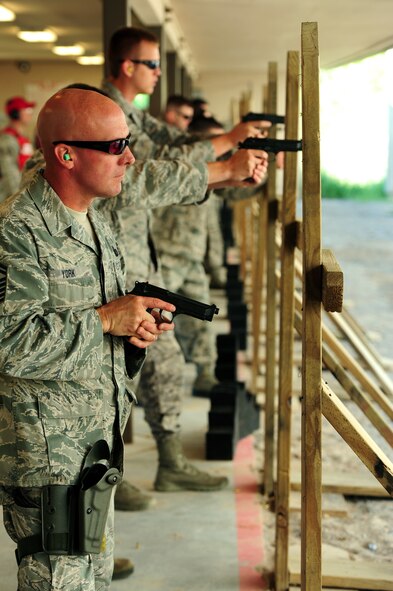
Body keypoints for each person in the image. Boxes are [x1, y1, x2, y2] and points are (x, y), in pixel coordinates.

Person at [0, 87, 177, 591]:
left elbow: (105, 330)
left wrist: (134, 337)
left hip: (93, 446)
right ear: (67, 154)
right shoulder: (17, 230)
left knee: (94, 580)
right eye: (116, 146)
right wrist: (105, 320)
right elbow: (9, 341)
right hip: (49, 458)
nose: (130, 157)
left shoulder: (97, 219)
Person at [101, 25, 269, 503]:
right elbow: (152, 172)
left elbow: (174, 148)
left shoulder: (131, 114)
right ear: (128, 66)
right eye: (152, 64)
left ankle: (146, 468)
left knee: (142, 370)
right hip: (115, 267)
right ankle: (111, 481)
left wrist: (224, 162)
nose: (157, 73)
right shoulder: (109, 113)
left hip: (131, 261)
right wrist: (222, 161)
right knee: (113, 382)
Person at [0, 96, 35, 202]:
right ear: (16, 114)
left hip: (22, 191)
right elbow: (9, 174)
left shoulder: (22, 137)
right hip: (10, 198)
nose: (30, 114)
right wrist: (19, 198)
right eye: (27, 110)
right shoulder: (7, 139)